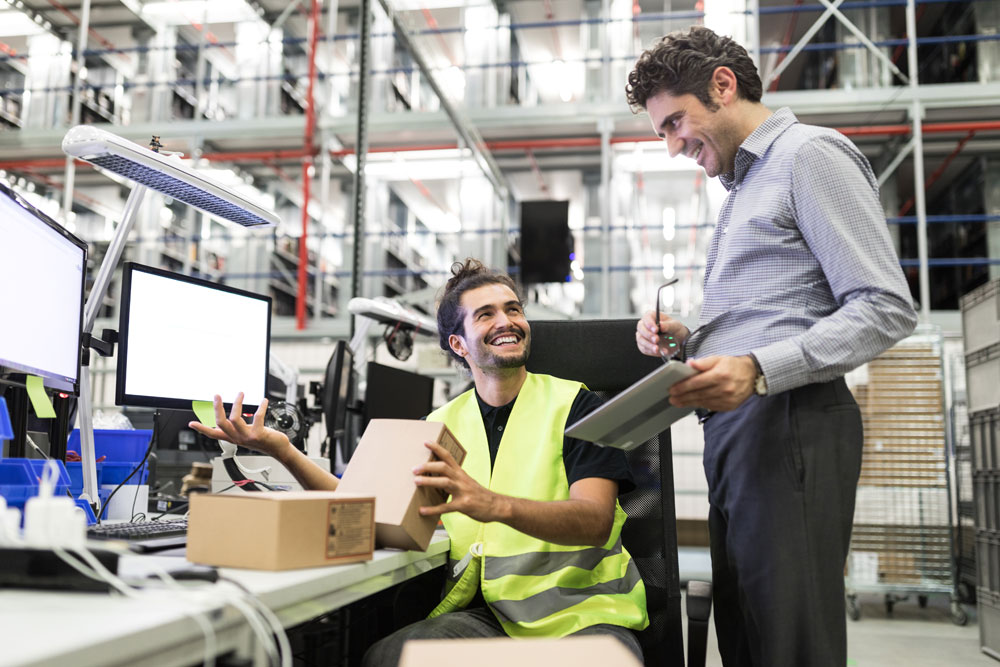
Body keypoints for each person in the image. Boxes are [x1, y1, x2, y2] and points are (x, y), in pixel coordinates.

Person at [625, 26, 917, 667]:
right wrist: (691, 339)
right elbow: (777, 312)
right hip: (741, 429)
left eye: (676, 122)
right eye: (662, 133)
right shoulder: (743, 188)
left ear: (722, 86)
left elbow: (886, 306)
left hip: (790, 420)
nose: (674, 146)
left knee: (790, 640)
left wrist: (758, 368)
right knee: (748, 632)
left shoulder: (809, 156)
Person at [189, 258, 648, 666]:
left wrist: (489, 503)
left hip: (586, 616)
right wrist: (281, 450)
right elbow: (364, 508)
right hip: (493, 618)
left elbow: (593, 520)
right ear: (459, 344)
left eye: (513, 309)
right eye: (485, 314)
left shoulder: (577, 406)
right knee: (390, 655)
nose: (507, 321)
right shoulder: (440, 424)